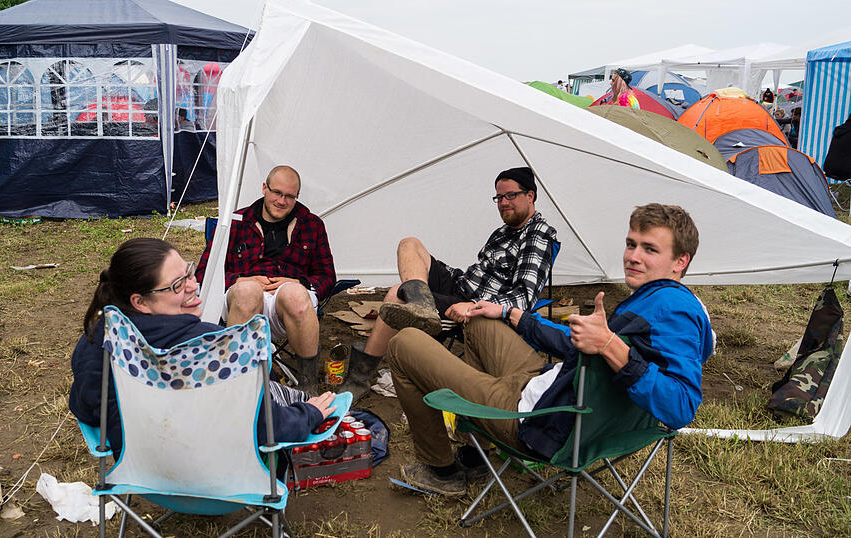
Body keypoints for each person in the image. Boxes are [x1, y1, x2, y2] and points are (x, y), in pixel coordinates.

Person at [387, 203, 713, 496]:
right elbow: (578, 343)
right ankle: (476, 455)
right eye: (631, 244)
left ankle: (442, 472)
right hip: (552, 386)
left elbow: (680, 406)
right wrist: (509, 313)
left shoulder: (672, 311)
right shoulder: (658, 299)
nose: (633, 256)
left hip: (536, 418)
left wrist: (610, 345)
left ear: (680, 261)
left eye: (650, 249)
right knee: (479, 319)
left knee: (404, 343)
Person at [69, 238, 337, 460]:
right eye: (177, 285)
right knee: (312, 405)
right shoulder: (212, 346)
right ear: (140, 302)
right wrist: (309, 414)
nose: (193, 285)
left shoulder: (97, 341)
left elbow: (85, 407)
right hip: (220, 480)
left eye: (189, 272)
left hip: (142, 475)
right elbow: (269, 427)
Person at [336, 167, 558, 401]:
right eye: (499, 197)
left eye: (510, 196)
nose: (503, 203)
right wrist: (433, 269)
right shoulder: (502, 232)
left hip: (476, 307)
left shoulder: (537, 234)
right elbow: (477, 274)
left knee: (397, 295)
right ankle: (422, 307)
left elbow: (523, 297)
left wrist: (472, 306)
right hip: (461, 286)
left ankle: (359, 379)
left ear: (530, 196)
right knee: (410, 244)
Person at [196, 165, 336, 394]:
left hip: (288, 304)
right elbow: (204, 273)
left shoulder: (312, 224)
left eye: (289, 196)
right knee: (248, 291)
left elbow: (327, 276)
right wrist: (240, 280)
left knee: (294, 294)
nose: (282, 201)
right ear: (264, 188)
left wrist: (299, 283)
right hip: (241, 300)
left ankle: (308, 386)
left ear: (297, 197)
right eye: (277, 193)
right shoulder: (236, 221)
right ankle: (234, 383)